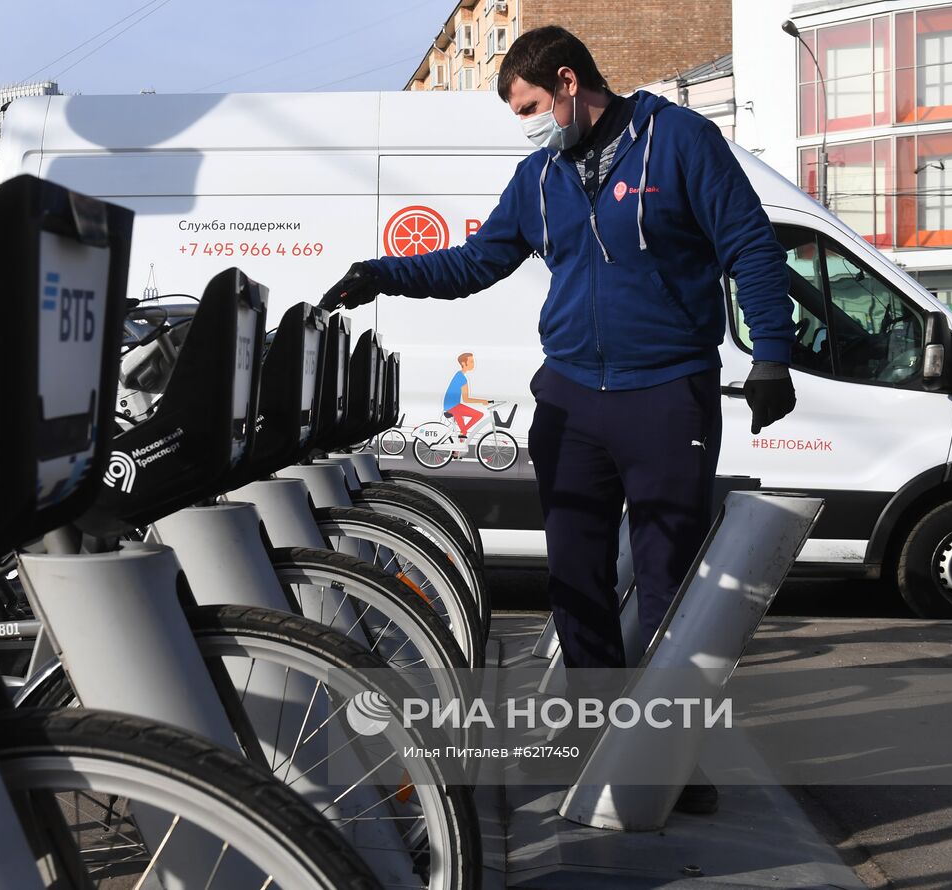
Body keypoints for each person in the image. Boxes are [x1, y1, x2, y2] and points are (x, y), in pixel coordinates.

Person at [320, 25, 798, 811]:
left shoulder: (679, 140)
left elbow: (749, 244)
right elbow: (475, 263)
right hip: (571, 399)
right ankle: (593, 739)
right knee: (575, 581)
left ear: (569, 83)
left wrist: (772, 352)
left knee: (665, 583)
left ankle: (668, 755)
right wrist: (383, 275)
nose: (529, 123)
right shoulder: (538, 178)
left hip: (666, 392)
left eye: (532, 106)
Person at [443, 352, 489, 437]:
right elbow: (466, 399)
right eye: (471, 361)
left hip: (451, 405)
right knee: (478, 415)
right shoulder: (462, 378)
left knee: (463, 434)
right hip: (453, 406)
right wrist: (482, 401)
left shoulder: (459, 374)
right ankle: (462, 432)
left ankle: (458, 446)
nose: (473, 364)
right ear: (464, 363)